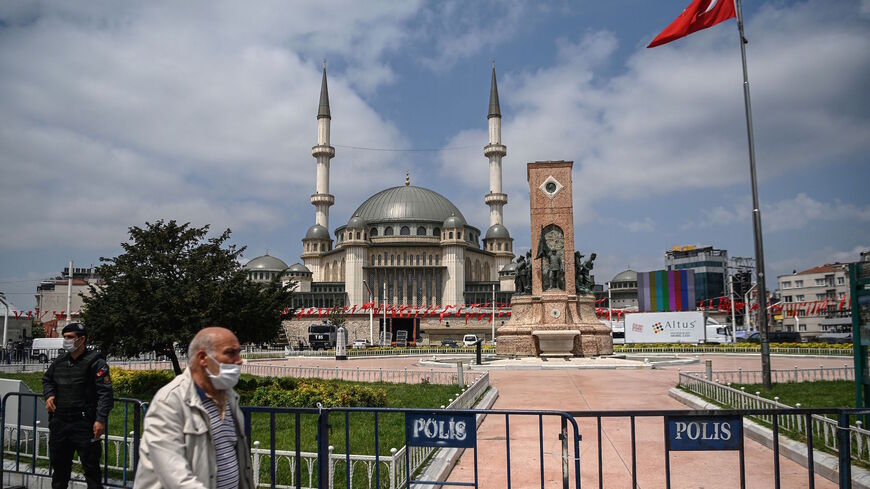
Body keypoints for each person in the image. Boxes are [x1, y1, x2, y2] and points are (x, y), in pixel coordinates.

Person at [134, 326, 253, 489]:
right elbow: (176, 477)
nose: (239, 360)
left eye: (239, 352)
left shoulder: (229, 397)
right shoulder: (169, 402)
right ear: (203, 357)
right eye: (230, 353)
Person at [43, 322, 114, 489]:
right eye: (65, 337)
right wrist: (49, 395)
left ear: (81, 340)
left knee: (91, 470)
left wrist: (100, 420)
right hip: (60, 423)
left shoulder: (96, 362)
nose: (66, 341)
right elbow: (47, 380)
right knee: (59, 470)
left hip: (84, 423)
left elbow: (105, 393)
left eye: (70, 338)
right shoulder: (59, 361)